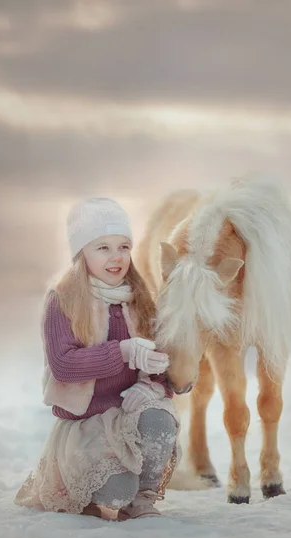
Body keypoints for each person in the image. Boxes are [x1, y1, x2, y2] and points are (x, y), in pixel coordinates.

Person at [15, 197, 179, 520]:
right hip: (85, 427)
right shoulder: (63, 300)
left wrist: (155, 384)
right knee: (117, 489)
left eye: (123, 247)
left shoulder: (140, 300)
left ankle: (141, 499)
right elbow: (63, 364)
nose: (116, 257)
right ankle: (99, 493)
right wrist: (121, 353)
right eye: (102, 248)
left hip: (128, 419)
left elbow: (165, 356)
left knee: (159, 419)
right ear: (82, 253)